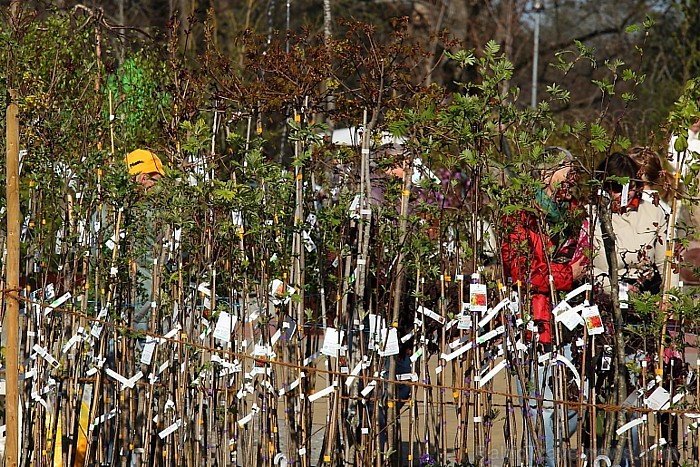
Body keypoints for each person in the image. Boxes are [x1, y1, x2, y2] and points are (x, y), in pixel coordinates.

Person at [500, 147, 588, 467]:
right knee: (544, 403)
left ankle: (553, 449)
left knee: (580, 395)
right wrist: (568, 274)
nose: (572, 174)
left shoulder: (575, 212)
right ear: (545, 174)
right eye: (565, 168)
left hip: (573, 317)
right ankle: (546, 460)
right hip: (537, 317)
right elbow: (521, 272)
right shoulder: (521, 215)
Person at [592, 152, 668, 295]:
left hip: (647, 295)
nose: (624, 194)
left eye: (629, 187)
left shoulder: (653, 211)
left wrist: (669, 297)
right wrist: (618, 289)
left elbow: (665, 263)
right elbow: (586, 269)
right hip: (607, 297)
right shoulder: (591, 217)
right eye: (616, 188)